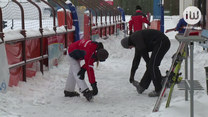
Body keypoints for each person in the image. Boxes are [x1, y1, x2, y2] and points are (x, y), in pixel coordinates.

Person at [121, 29, 171, 97]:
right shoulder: (136, 42)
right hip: (159, 43)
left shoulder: (135, 38)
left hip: (162, 42)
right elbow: (136, 60)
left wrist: (148, 63)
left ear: (128, 44)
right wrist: (132, 75)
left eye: (129, 47)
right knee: (151, 65)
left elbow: (143, 51)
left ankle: (159, 90)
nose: (130, 48)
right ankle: (142, 86)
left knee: (152, 65)